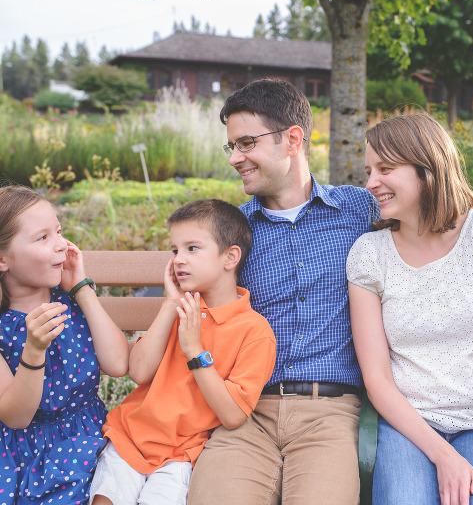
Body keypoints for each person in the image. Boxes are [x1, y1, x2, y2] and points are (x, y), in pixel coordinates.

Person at [187, 79, 473, 505]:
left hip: (332, 411)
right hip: (247, 408)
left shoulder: (360, 210)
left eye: (245, 143)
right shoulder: (232, 235)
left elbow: (441, 219)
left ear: (293, 139)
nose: (236, 158)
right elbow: (187, 282)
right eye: (232, 147)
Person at [346, 113, 473, 505]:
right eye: (368, 171)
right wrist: (443, 455)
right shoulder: (369, 254)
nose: (370, 183)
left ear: (427, 168)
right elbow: (377, 378)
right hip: (409, 423)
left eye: (385, 169)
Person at [90, 199, 276, 505]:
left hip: (183, 454)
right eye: (175, 250)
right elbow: (138, 372)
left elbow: (232, 415)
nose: (179, 259)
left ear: (230, 257)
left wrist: (193, 349)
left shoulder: (254, 331)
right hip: (131, 437)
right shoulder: (178, 310)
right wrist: (170, 305)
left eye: (192, 248)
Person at [0, 185, 129, 504]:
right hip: (22, 450)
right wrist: (34, 350)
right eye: (42, 238)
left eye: (58, 231)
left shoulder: (71, 302)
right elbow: (16, 417)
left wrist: (83, 291)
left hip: (86, 435)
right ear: (2, 259)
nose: (62, 245)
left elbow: (117, 364)